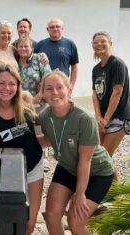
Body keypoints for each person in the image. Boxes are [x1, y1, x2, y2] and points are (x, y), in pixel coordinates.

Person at [37, 70, 113, 235]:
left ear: (69, 90)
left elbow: (85, 161)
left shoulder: (85, 118)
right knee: (51, 216)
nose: (55, 92)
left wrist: (80, 194)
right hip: (67, 167)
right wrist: (25, 142)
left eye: (59, 87)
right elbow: (51, 138)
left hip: (96, 172)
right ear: (42, 93)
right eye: (49, 88)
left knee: (75, 221)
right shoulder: (44, 117)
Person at [0, 64, 43, 235]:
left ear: (17, 85)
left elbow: (37, 136)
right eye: (1, 83)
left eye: (11, 83)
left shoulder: (26, 103)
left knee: (30, 219)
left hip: (34, 167)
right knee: (11, 218)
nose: (6, 88)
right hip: (10, 174)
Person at [91, 31, 130, 181]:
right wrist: (98, 117)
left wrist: (106, 118)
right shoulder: (96, 69)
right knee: (100, 154)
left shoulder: (117, 64)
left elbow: (117, 92)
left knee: (104, 155)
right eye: (96, 42)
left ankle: (114, 192)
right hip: (103, 119)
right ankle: (114, 190)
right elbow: (95, 94)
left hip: (119, 117)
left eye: (103, 41)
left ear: (110, 44)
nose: (99, 44)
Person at [35, 18, 78, 92]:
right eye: (52, 27)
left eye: (57, 26)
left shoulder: (70, 44)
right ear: (47, 29)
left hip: (63, 86)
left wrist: (71, 86)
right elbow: (34, 65)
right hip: (45, 87)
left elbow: (74, 67)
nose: (55, 29)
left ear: (62, 28)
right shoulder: (40, 44)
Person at [17, 36, 51, 112]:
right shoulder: (15, 62)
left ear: (31, 48)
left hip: (39, 103)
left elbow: (49, 79)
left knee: (40, 123)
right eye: (20, 46)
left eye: (26, 46)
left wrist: (38, 96)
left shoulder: (39, 58)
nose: (23, 49)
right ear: (17, 49)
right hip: (20, 104)